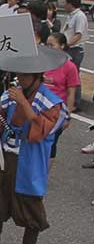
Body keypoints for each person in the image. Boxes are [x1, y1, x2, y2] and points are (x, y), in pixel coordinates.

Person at [0, 46, 68, 244]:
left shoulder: (52, 103)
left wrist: (25, 104)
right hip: (5, 158)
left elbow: (40, 132)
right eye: (18, 73)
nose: (21, 78)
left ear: (37, 76)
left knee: (31, 216)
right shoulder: (10, 96)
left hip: (30, 164)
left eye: (26, 75)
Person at [45, 33, 79, 161]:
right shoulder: (44, 62)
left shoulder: (70, 67)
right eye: (46, 44)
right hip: (39, 107)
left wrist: (67, 117)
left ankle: (43, 176)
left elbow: (71, 93)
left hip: (57, 111)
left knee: (51, 143)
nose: (48, 47)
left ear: (62, 46)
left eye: (51, 45)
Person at [62, 0, 86, 110]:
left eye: (65, 3)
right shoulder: (71, 15)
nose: (64, 5)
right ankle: (70, 100)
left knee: (74, 75)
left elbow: (78, 35)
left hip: (75, 50)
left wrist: (65, 45)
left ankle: (76, 103)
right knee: (69, 75)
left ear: (70, 3)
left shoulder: (79, 16)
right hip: (69, 49)